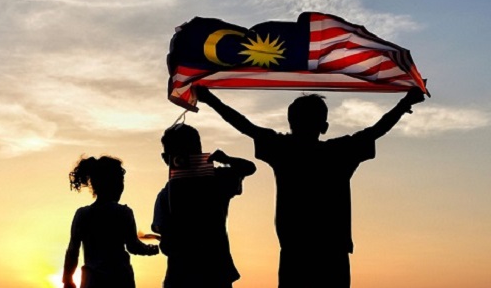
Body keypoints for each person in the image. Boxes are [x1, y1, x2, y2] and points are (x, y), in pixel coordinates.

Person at [195, 86, 426, 288]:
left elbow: (245, 126)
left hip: (295, 252)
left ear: (291, 123)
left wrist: (209, 98)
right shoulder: (339, 153)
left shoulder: (284, 150)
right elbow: (376, 130)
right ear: (324, 126)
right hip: (332, 253)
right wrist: (405, 102)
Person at [152, 123, 256, 288]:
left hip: (181, 276)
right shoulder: (217, 180)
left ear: (167, 159)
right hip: (216, 272)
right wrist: (226, 159)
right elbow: (248, 167)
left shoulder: (166, 195)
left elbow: (166, 242)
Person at [62, 155, 159, 288]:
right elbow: (133, 246)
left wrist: (67, 279)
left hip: (92, 281)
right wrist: (151, 249)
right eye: (121, 180)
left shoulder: (82, 214)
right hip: (120, 280)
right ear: (116, 184)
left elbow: (73, 250)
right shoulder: (123, 212)